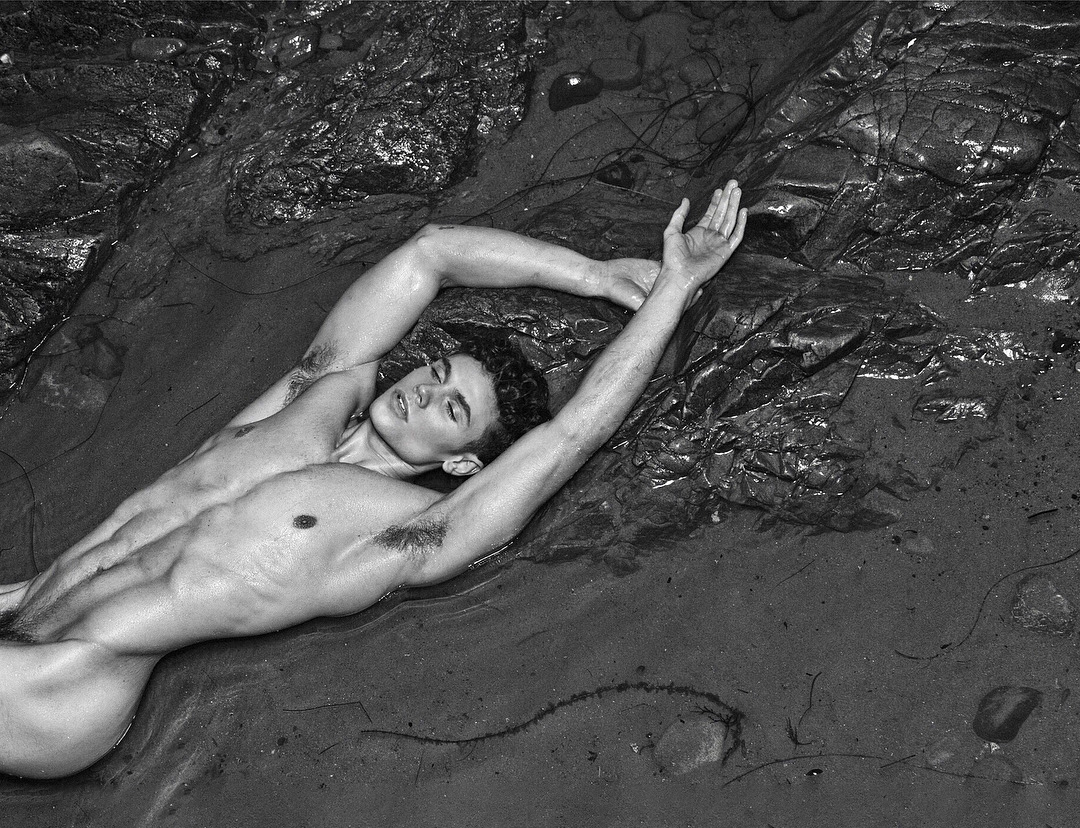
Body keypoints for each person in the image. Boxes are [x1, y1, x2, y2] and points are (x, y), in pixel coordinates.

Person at [0, 180, 746, 779]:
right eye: (438, 372)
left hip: (68, 684)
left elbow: (573, 433)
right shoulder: (312, 395)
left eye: (452, 409)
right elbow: (432, 253)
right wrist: (592, 274)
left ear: (462, 462)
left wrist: (673, 288)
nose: (425, 391)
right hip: (25, 607)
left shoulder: (409, 530)